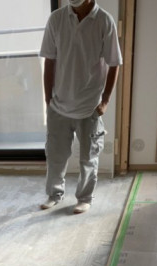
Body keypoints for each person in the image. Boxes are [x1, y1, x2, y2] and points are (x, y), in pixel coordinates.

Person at [39, 0, 123, 214]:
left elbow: (114, 63)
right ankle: (54, 194)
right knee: (56, 156)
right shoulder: (56, 19)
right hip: (59, 105)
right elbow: (50, 60)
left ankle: (85, 198)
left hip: (89, 107)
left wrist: (105, 101)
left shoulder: (104, 21)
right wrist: (48, 100)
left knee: (88, 158)